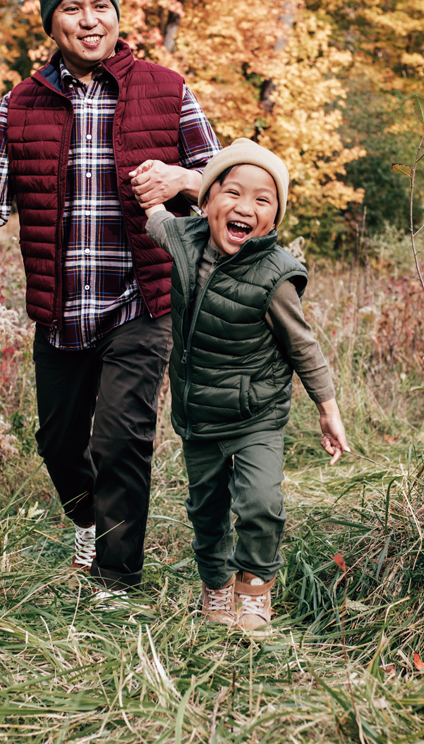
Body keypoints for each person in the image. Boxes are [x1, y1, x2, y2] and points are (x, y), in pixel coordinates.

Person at [0, 0, 221, 592]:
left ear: (117, 15)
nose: (90, 20)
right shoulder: (21, 105)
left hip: (142, 301)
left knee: (121, 440)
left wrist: (181, 179)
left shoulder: (166, 90)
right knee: (59, 446)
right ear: (51, 23)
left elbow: (227, 185)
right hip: (60, 308)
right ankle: (87, 525)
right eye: (72, 8)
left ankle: (116, 583)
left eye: (101, 7)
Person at [140, 138, 349, 630]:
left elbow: (303, 346)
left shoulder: (276, 277)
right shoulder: (183, 240)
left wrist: (327, 406)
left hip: (258, 413)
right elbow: (154, 216)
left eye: (263, 199)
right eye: (232, 193)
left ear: (274, 218)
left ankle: (253, 588)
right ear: (207, 200)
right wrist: (146, 182)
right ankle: (215, 586)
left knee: (261, 502)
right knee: (206, 508)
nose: (245, 208)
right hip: (200, 411)